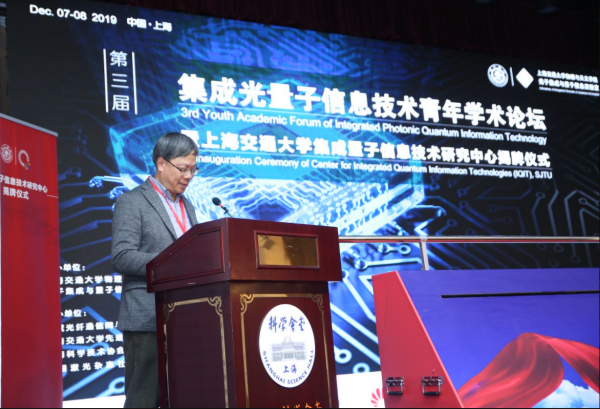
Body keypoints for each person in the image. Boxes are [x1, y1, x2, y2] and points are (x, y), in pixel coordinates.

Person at [111, 132, 200, 408]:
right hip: (147, 317)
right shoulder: (132, 202)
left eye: (193, 170)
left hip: (187, 316)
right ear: (161, 163)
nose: (188, 176)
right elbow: (122, 257)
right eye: (183, 168)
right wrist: (172, 261)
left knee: (184, 396)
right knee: (144, 399)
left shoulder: (188, 205)